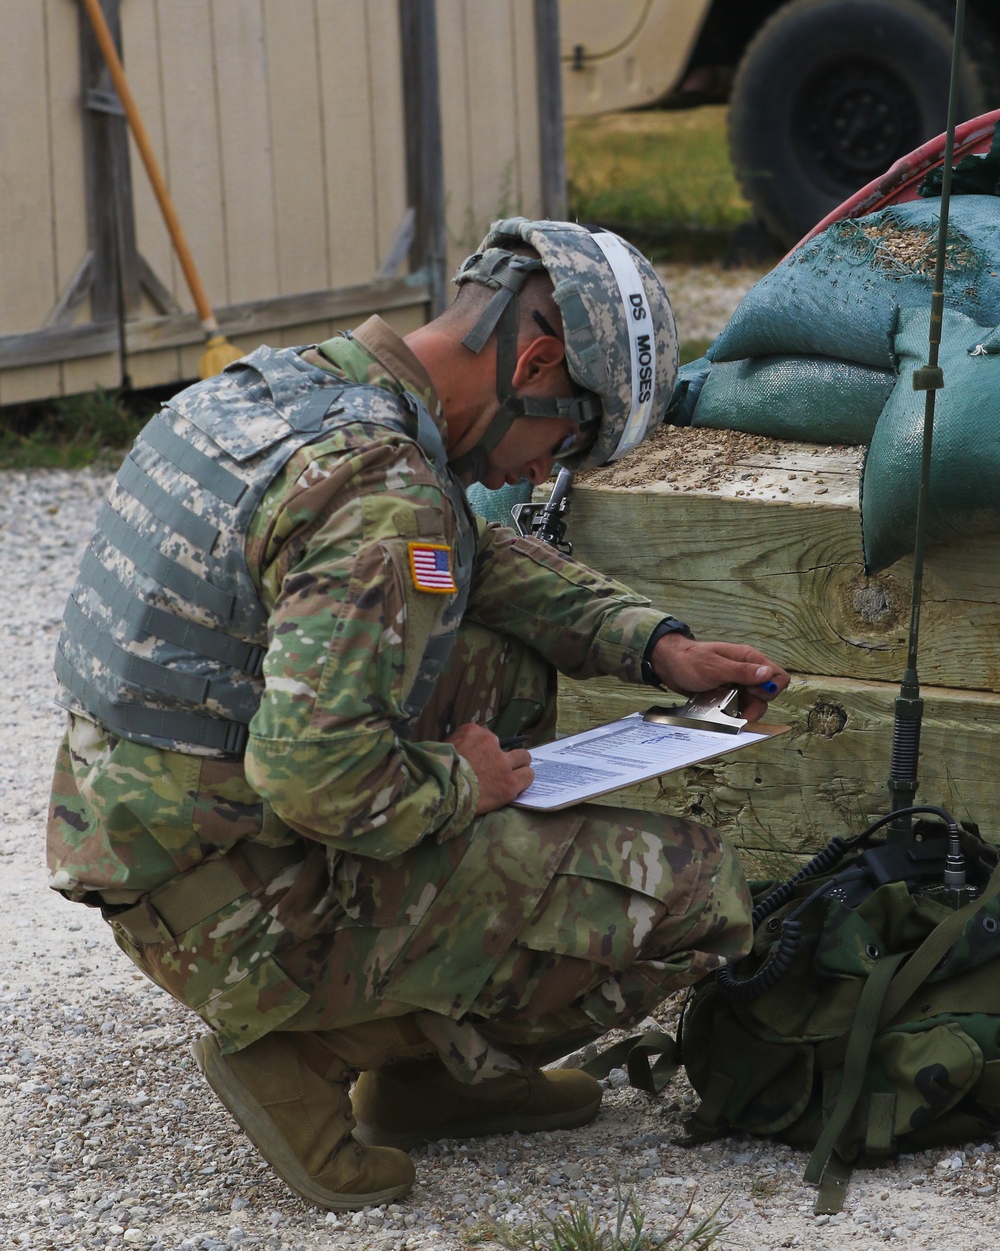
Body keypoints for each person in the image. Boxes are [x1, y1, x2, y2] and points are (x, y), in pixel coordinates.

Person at [47, 218, 788, 1212]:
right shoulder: (382, 488)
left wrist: (651, 645)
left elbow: (461, 567)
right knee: (699, 896)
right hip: (240, 908)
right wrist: (462, 786)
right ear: (534, 360)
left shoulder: (285, 397)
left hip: (160, 855)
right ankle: (309, 1052)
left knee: (502, 670)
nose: (540, 475)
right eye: (566, 440)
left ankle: (429, 1077)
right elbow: (315, 775)